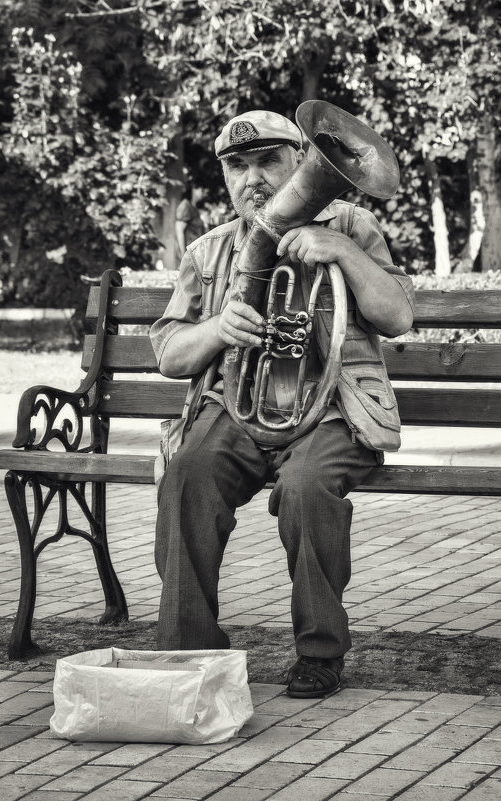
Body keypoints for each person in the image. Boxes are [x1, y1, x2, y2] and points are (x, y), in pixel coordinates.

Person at [150, 109, 415, 698]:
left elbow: (397, 316)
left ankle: (320, 653)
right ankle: (189, 651)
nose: (254, 179)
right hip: (237, 409)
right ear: (224, 176)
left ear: (299, 158)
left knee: (305, 488)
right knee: (187, 476)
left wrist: (342, 251)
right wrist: (219, 329)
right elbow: (170, 354)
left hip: (334, 409)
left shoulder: (352, 222)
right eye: (238, 167)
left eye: (269, 161)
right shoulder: (208, 250)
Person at [175, 186, 206, 259]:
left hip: (195, 254)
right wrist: (183, 256)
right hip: (188, 255)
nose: (204, 193)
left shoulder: (193, 207)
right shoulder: (185, 205)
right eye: (202, 190)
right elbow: (179, 231)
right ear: (194, 189)